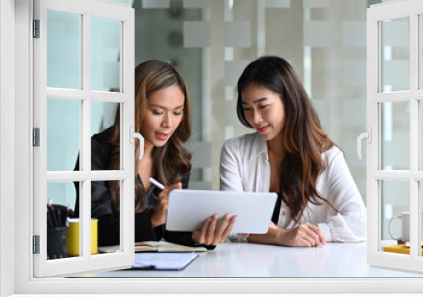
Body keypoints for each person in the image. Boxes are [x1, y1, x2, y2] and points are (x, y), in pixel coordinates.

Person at [74, 60, 236, 248]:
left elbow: (168, 231)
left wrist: (196, 236)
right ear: (134, 106)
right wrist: (152, 218)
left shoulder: (176, 159)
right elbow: (94, 230)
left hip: (156, 267)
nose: (168, 123)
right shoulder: (97, 151)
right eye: (158, 112)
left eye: (177, 112)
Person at [220, 55, 366, 247]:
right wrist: (282, 235)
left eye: (263, 106)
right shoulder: (235, 151)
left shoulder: (327, 156)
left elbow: (360, 223)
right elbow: (232, 224)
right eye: (247, 108)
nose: (255, 118)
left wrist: (309, 234)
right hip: (252, 270)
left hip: (309, 269)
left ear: (289, 100)